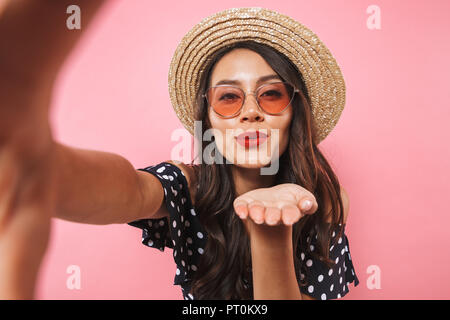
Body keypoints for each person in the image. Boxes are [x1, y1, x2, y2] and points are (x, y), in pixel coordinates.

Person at [0, 3, 359, 300]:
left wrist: (270, 230)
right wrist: (43, 166)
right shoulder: (189, 186)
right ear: (209, 121)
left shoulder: (324, 200)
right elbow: (131, 189)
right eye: (229, 98)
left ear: (295, 112)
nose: (251, 110)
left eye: (271, 94)